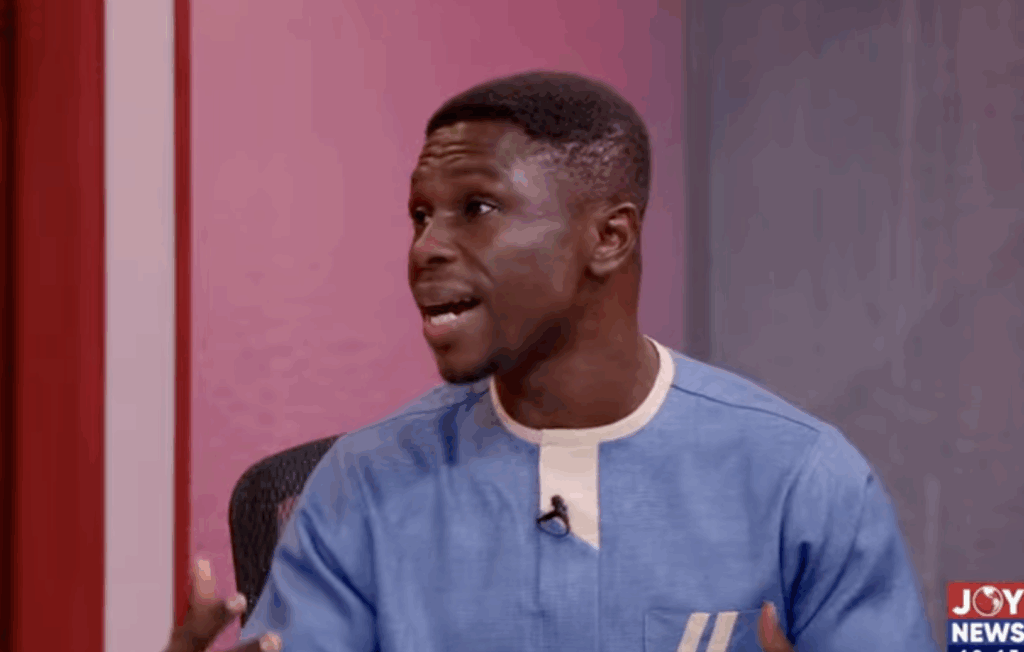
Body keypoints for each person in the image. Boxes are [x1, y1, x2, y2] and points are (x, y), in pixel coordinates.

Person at [163, 71, 937, 652]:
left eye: (477, 209)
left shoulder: (802, 482)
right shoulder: (358, 488)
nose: (427, 247)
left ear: (609, 238)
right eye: (421, 216)